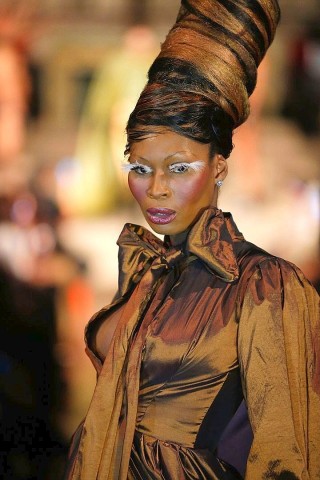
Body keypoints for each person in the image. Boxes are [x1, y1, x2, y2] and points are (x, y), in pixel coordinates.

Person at [64, 1, 320, 479]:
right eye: (140, 168)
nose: (156, 188)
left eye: (179, 167)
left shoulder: (266, 286)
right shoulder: (148, 272)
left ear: (219, 166)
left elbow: (288, 456)